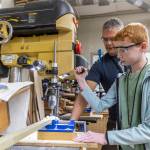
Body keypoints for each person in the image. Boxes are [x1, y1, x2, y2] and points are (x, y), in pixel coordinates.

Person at [74, 23, 150, 150]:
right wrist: (82, 82)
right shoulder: (121, 80)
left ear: (143, 46)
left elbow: (148, 130)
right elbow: (99, 106)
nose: (119, 55)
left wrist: (106, 137)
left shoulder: (147, 79)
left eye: (123, 49)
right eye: (118, 49)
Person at [71, 18, 124, 150]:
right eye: (105, 39)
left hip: (139, 124)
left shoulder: (135, 62)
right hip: (114, 123)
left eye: (113, 38)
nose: (109, 43)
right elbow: (85, 97)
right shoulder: (100, 64)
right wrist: (71, 124)